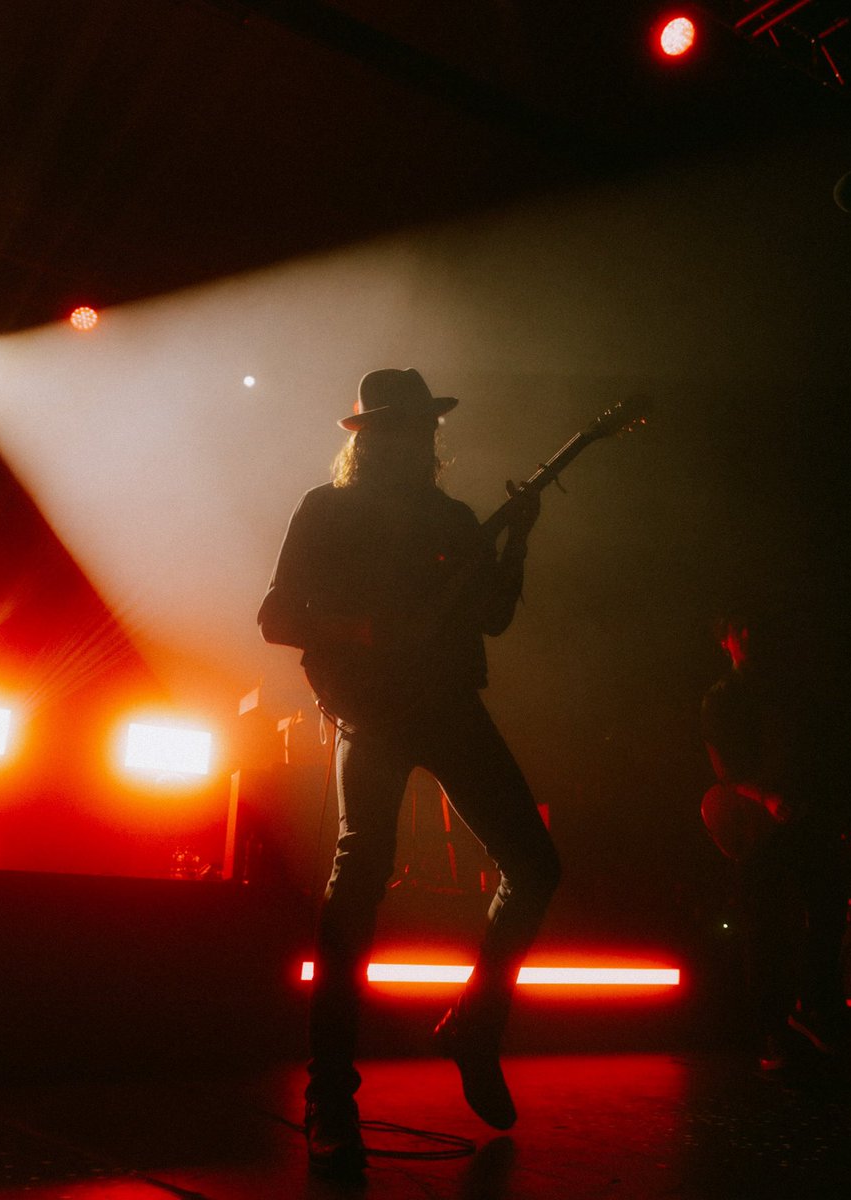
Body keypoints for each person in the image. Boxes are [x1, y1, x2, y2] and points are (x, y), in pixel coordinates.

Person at [258, 368, 561, 1176]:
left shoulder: (452, 517)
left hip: (449, 702)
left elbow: (491, 614)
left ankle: (474, 1023)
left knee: (534, 864)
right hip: (372, 709)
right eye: (400, 428)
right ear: (368, 439)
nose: (416, 441)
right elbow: (277, 616)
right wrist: (362, 630)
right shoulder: (327, 511)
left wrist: (519, 536)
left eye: (423, 428)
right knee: (360, 878)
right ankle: (330, 1095)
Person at [700, 609, 849, 1072]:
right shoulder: (722, 698)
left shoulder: (787, 692)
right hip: (755, 823)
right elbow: (724, 772)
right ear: (724, 640)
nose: (748, 634)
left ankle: (812, 1011)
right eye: (738, 629)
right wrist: (764, 797)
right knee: (764, 931)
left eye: (754, 626)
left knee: (827, 904)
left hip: (792, 815)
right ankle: (774, 1034)